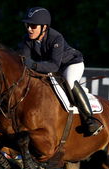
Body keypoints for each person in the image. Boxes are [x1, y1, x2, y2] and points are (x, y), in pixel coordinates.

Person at [19, 7, 103, 136]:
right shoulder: (27, 39)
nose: (29, 29)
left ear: (44, 27)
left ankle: (90, 120)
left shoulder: (56, 37)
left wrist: (34, 65)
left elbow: (53, 66)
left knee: (69, 81)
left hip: (71, 64)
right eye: (27, 25)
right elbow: (25, 61)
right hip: (48, 66)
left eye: (33, 25)